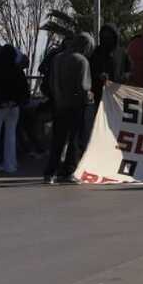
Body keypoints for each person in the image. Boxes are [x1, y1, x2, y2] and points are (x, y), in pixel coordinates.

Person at [44, 33, 94, 184]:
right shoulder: (81, 60)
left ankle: (50, 173)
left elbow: (52, 82)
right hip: (76, 106)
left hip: (59, 104)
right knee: (73, 140)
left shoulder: (57, 58)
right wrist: (89, 97)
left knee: (58, 140)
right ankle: (69, 171)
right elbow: (83, 87)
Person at [0, 45, 30, 175]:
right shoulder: (18, 71)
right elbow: (24, 90)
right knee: (11, 136)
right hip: (14, 107)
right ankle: (10, 165)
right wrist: (16, 102)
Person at [90, 24, 126, 101]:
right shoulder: (96, 52)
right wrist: (99, 76)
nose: (106, 40)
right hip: (100, 94)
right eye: (104, 37)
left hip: (117, 93)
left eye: (109, 37)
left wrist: (123, 78)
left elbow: (129, 70)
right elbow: (91, 71)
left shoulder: (121, 53)